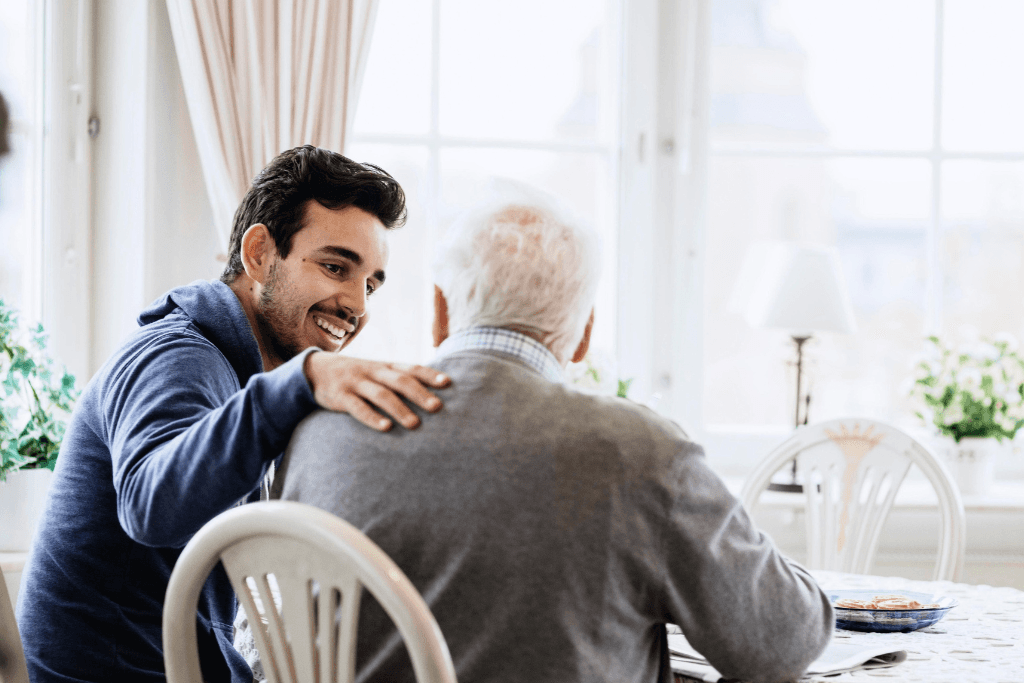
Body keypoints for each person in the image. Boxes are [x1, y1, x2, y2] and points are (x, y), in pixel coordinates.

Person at [273, 186, 834, 683]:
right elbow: (777, 645)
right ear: (584, 334)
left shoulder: (316, 430)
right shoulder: (640, 449)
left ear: (440, 311)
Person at [16, 145, 451, 683]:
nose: (357, 305)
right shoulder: (177, 353)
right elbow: (151, 505)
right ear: (260, 253)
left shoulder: (233, 368)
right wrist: (304, 380)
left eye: (370, 285)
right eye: (335, 267)